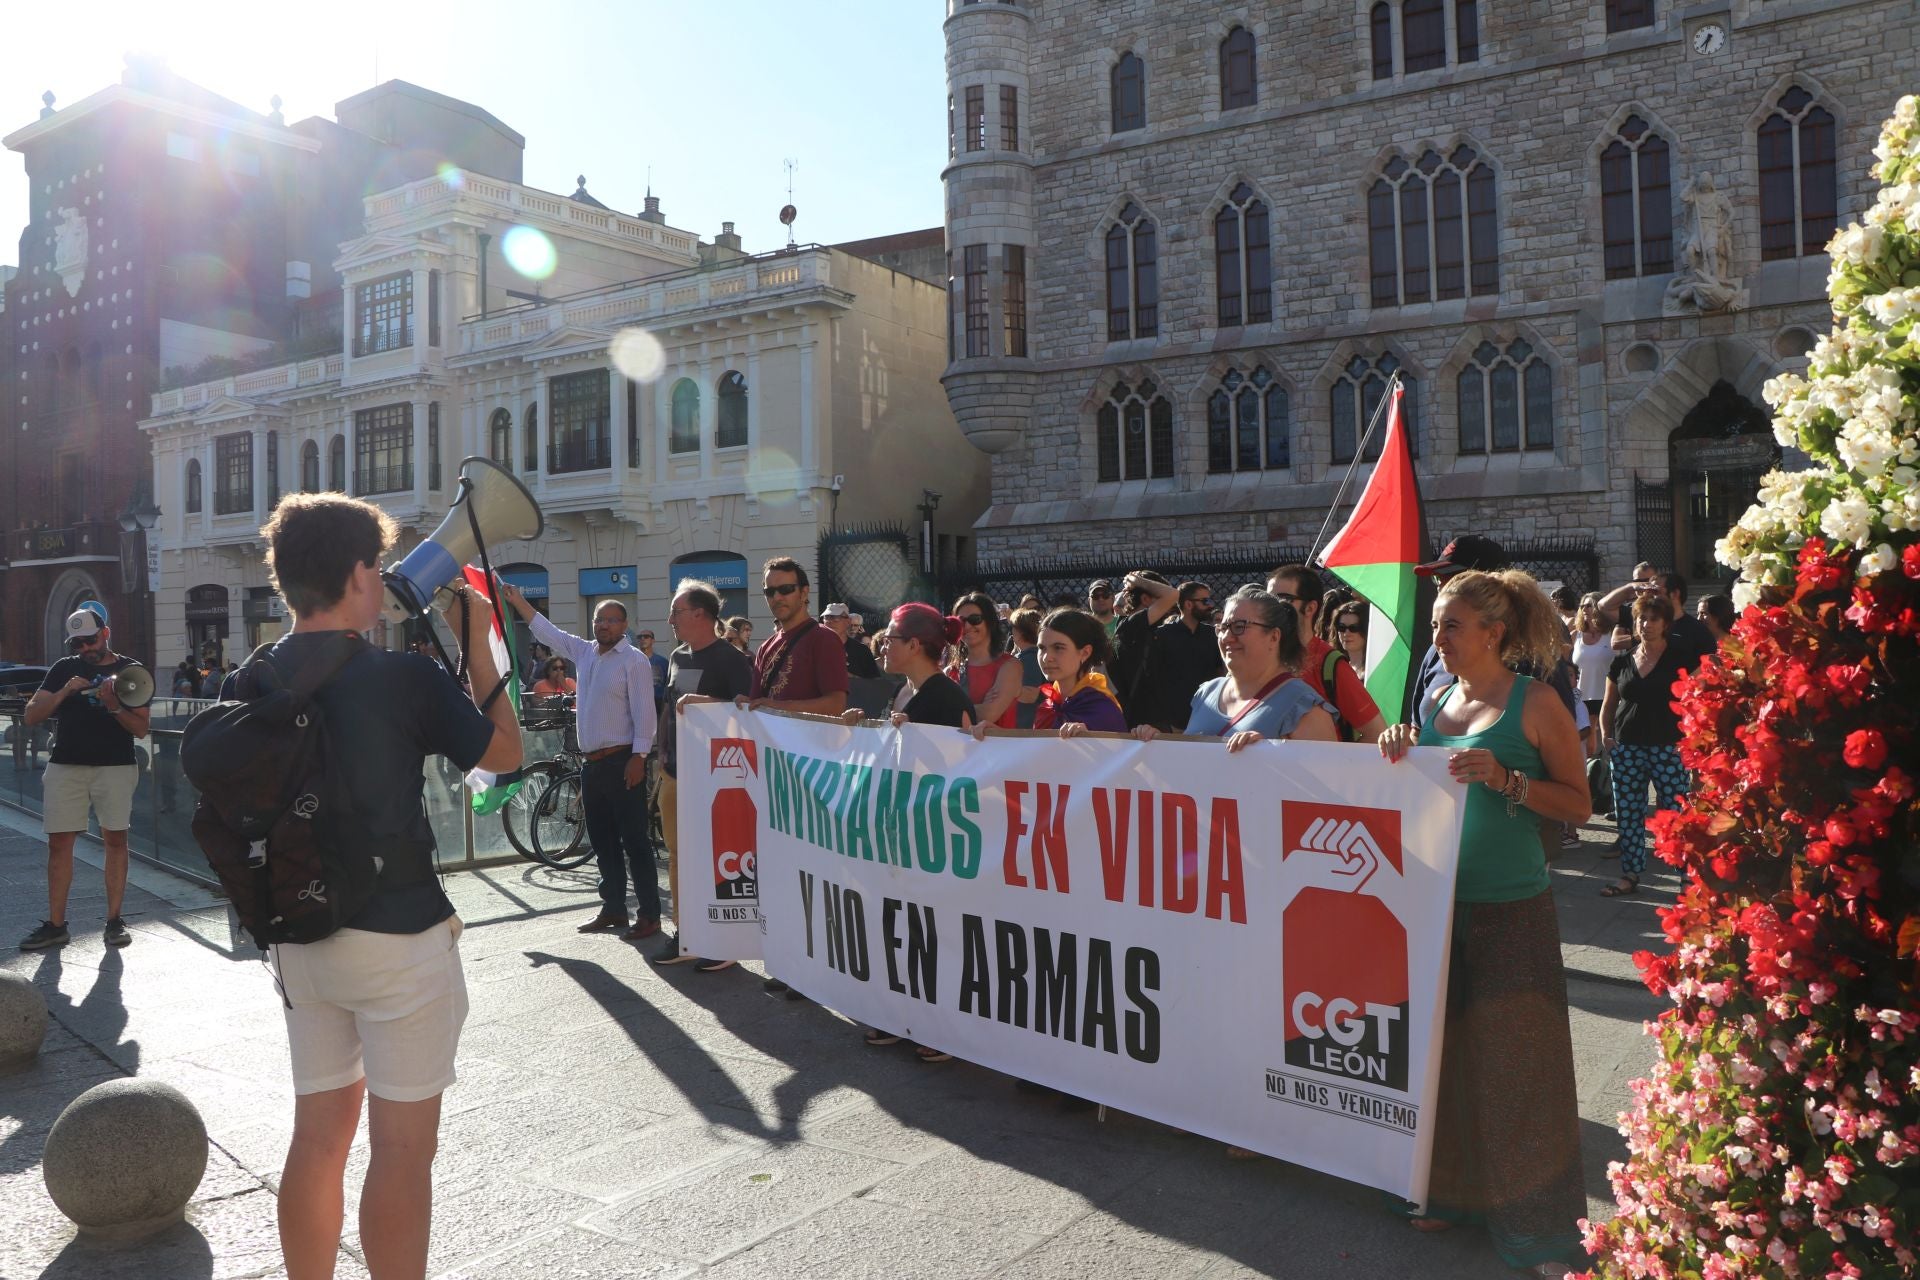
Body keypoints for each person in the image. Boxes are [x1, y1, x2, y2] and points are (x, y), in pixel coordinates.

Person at [238, 493, 519, 1280]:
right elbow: (504, 756)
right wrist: (478, 647)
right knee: (401, 1152)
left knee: (318, 1139)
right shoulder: (401, 677)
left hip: (298, 939)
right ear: (361, 573)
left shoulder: (250, 678)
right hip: (398, 937)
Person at [1377, 568, 1590, 1276]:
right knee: (1445, 1058)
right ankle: (1452, 1196)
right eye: (1437, 624)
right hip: (1435, 904)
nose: (1438, 638)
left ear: (1495, 632)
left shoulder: (1536, 703)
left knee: (1517, 1068)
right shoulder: (1438, 697)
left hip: (1511, 908)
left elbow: (1579, 805)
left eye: (1451, 625)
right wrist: (1402, 744)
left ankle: (1540, 1234)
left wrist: (1506, 780)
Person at [844, 602, 972, 1061]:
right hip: (898, 831)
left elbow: (958, 768)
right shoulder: (904, 691)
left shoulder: (945, 696)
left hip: (930, 834)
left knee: (932, 932)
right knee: (900, 927)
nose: (882, 646)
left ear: (915, 645)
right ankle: (903, 1014)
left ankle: (942, 1029)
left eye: (891, 639)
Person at [501, 584, 661, 941]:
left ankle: (650, 915)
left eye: (610, 620)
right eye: (598, 619)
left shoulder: (633, 660)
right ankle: (615, 907)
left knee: (634, 841)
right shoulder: (585, 652)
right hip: (592, 765)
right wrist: (518, 601)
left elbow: (645, 714)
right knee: (602, 840)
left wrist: (638, 757)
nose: (602, 625)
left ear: (624, 625)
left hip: (623, 761)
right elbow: (549, 632)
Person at [18, 608, 150, 951]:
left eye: (90, 640)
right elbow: (31, 715)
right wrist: (64, 692)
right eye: (77, 643)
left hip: (116, 766)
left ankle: (114, 920)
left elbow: (141, 728)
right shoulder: (64, 668)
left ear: (105, 633)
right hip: (67, 765)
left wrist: (114, 705)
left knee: (116, 841)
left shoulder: (131, 670)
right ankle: (56, 925)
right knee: (59, 844)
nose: (85, 649)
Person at [650, 579, 754, 970]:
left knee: (715, 857)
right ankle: (687, 933)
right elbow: (668, 707)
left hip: (715, 779)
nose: (670, 619)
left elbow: (747, 712)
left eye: (676, 611)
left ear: (700, 615)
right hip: (674, 773)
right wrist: (660, 755)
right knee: (678, 856)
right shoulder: (676, 656)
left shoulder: (731, 659)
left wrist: (708, 702)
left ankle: (723, 941)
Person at [1138, 587, 1336, 752]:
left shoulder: (1305, 709)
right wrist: (1158, 744)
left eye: (1240, 626)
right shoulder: (1207, 692)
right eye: (1223, 627)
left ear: (1274, 637)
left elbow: (1326, 789)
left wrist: (1270, 756)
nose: (1227, 637)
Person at [1596, 593, 1691, 897]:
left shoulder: (1680, 658)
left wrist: (1691, 741)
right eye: (1640, 618)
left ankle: (1686, 876)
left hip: (1669, 747)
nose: (1645, 624)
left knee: (1677, 814)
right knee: (1628, 813)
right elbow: (1609, 704)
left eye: (1652, 619)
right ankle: (1631, 873)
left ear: (1665, 623)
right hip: (1626, 747)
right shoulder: (1623, 660)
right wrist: (1606, 737)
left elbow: (1695, 702)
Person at [1268, 564, 1387, 742]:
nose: (1273, 608)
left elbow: (1376, 732)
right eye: (1268, 600)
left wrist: (1338, 765)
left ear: (1310, 608)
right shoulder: (1261, 656)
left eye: (1283, 599)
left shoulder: (1329, 664)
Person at [1131, 581, 1225, 732]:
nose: (1210, 605)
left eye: (1210, 600)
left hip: (1208, 718)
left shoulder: (1212, 635)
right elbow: (1153, 678)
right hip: (1173, 722)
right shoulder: (1162, 635)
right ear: (1188, 604)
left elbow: (1220, 671)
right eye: (1205, 601)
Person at [1030, 607, 1127, 734]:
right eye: (1042, 648)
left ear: (1085, 652)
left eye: (1058, 647)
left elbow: (1118, 751)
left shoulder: (1103, 709)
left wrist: (1089, 739)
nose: (1046, 658)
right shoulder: (1047, 708)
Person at [1110, 570, 1178, 725]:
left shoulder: (1136, 629)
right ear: (1146, 599)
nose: (1168, 608)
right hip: (1143, 721)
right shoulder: (1132, 625)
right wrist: (1138, 581)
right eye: (1159, 597)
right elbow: (1173, 595)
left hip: (1148, 718)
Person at [949, 591, 1022, 729]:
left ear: (990, 621)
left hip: (998, 749)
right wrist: (974, 707)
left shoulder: (1009, 666)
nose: (968, 626)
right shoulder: (952, 671)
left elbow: (989, 714)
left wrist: (949, 705)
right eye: (961, 621)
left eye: (975, 619)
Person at [1570, 594, 1613, 728]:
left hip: (1607, 697)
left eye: (1589, 605)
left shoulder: (1612, 634)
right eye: (1582, 606)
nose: (1584, 609)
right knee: (1587, 742)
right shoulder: (1575, 635)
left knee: (1606, 740)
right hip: (1580, 698)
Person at [821, 602, 880, 679]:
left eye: (835, 618)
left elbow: (874, 682)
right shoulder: (815, 647)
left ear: (848, 621)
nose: (830, 621)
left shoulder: (861, 651)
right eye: (826, 617)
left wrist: (850, 677)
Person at [1326, 597, 1369, 682]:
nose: (1346, 633)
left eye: (1354, 628)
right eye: (1342, 627)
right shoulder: (1335, 668)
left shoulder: (1375, 670)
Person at [637, 629, 670, 710]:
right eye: (640, 637)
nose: (642, 639)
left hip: (658, 704)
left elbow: (669, 687)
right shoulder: (630, 662)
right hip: (637, 703)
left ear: (653, 640)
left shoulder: (663, 662)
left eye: (646, 636)